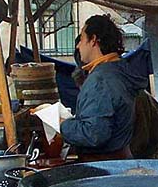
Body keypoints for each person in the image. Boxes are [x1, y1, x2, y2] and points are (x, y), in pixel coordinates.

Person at [61, 15, 148, 161]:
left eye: (82, 39)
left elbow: (94, 134)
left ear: (93, 40)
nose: (78, 46)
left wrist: (63, 124)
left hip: (104, 167)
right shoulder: (118, 69)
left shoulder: (101, 80)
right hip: (119, 161)